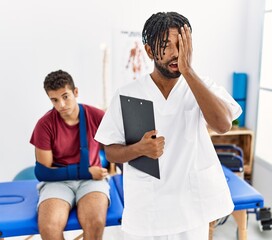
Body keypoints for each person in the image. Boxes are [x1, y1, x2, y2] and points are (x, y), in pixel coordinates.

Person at [94, 12, 242, 240]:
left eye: (181, 45)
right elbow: (111, 152)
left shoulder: (201, 86)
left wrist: (188, 71)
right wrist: (139, 149)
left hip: (191, 209)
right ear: (150, 51)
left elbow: (223, 125)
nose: (176, 53)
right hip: (148, 210)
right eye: (166, 46)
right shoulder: (127, 94)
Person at [30, 70, 110, 240]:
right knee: (49, 228)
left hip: (91, 181)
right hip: (58, 182)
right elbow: (43, 172)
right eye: (54, 100)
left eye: (65, 96)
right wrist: (85, 172)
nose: (61, 105)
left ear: (76, 92)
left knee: (95, 223)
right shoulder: (44, 125)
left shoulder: (97, 116)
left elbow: (117, 148)